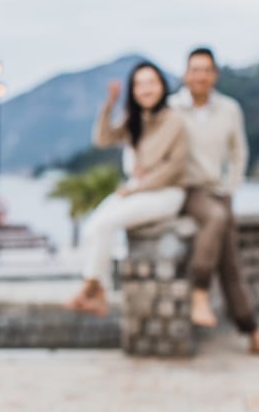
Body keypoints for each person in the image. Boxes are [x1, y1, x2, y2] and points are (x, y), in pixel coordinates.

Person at [169, 47, 259, 358]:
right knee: (218, 219)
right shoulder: (172, 108)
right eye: (195, 69)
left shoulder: (229, 109)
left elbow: (239, 153)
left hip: (218, 192)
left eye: (206, 70)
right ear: (186, 74)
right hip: (187, 191)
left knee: (232, 264)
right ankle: (199, 292)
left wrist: (231, 188)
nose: (200, 76)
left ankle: (252, 332)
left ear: (215, 75)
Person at [65, 61, 189, 316]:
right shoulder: (134, 120)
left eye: (151, 82)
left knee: (105, 225)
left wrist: (136, 187)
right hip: (138, 189)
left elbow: (174, 168)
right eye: (139, 84)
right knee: (92, 227)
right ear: (132, 90)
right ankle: (98, 291)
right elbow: (102, 139)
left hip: (166, 193)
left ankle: (93, 290)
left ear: (162, 86)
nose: (146, 89)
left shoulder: (175, 120)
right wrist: (109, 104)